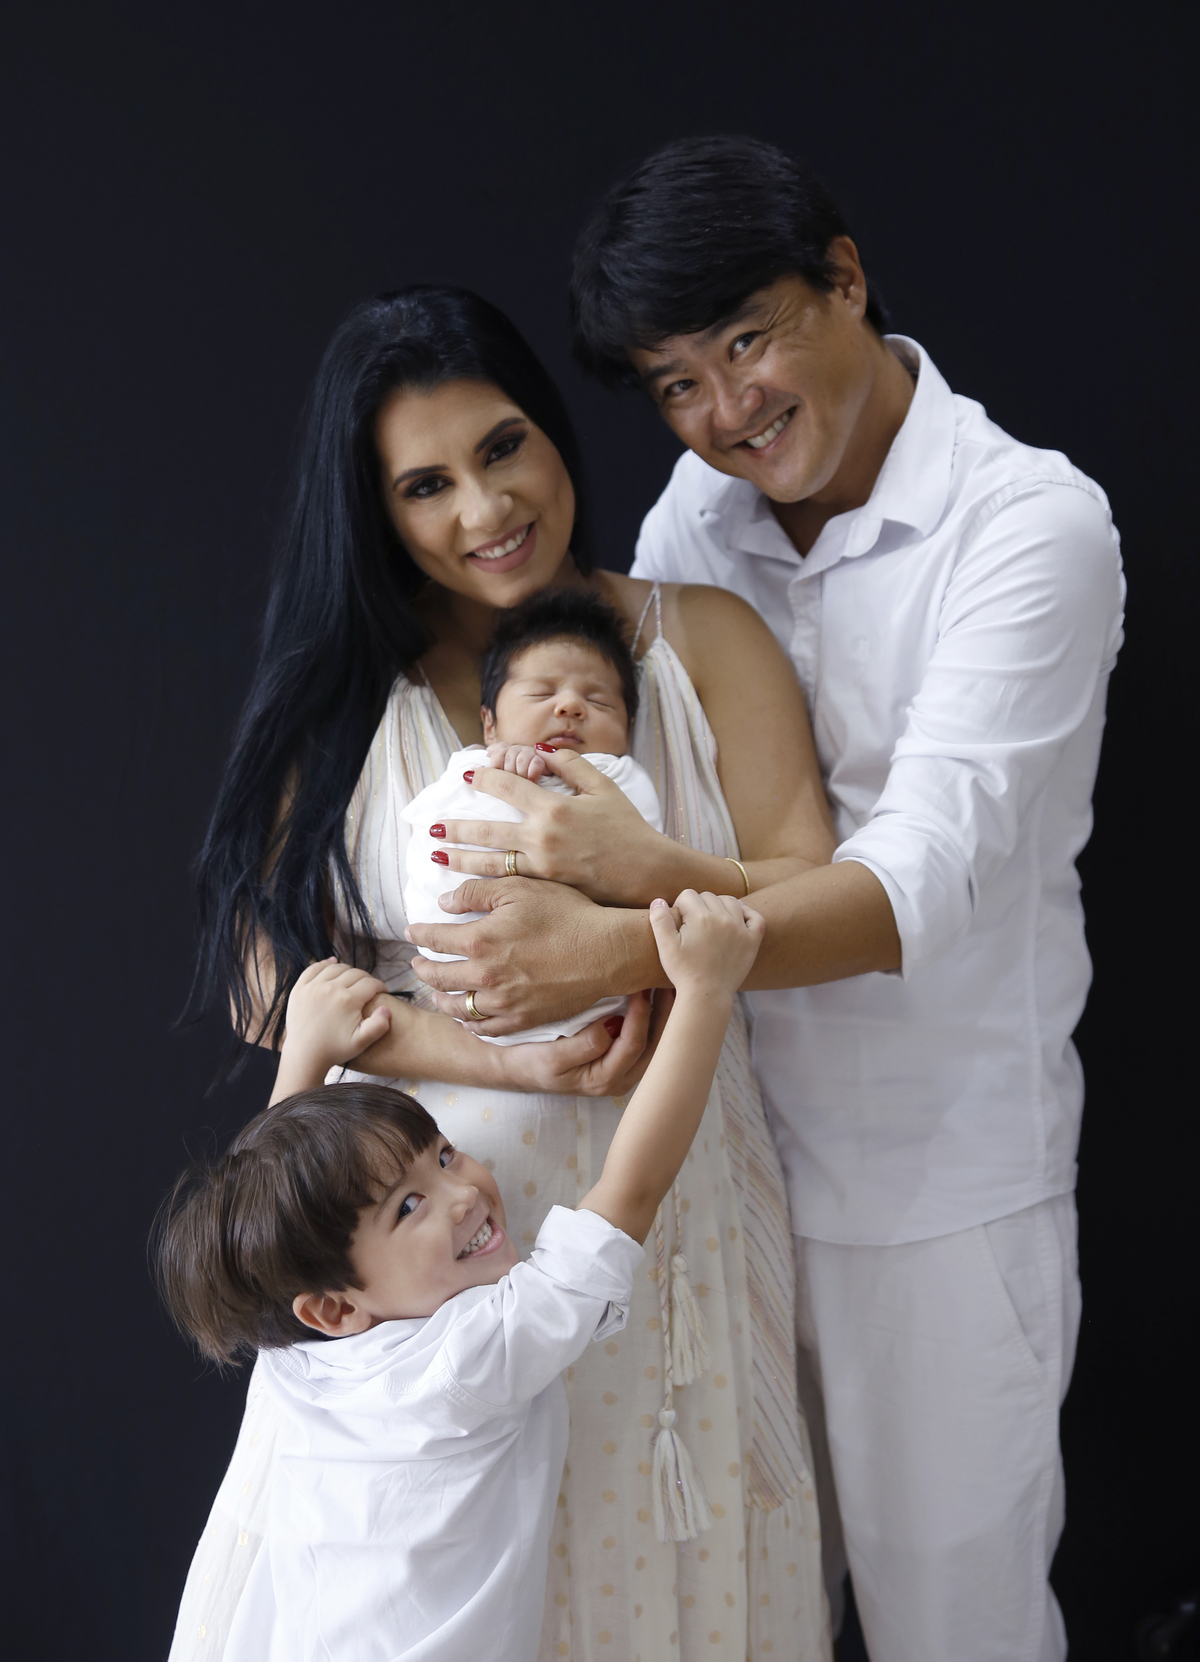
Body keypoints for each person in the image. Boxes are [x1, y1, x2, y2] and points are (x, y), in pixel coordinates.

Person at [170, 285, 837, 1662]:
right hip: (435, 1264)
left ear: (552, 430)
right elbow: (271, 989)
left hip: (662, 1210)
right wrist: (504, 1055)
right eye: (425, 485)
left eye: (503, 446)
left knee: (669, 1568)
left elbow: (815, 886)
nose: (485, 508)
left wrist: (619, 934)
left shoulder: (697, 639)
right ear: (376, 512)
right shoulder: (347, 702)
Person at [552, 134, 1125, 1662]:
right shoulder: (697, 515)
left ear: (847, 281)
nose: (725, 411)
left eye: (747, 341)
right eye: (677, 383)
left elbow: (911, 885)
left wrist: (612, 928)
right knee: (741, 1622)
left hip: (936, 1189)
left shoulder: (1031, 523)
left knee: (956, 1634)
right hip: (720, 1172)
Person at [159, 889, 763, 1662]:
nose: (463, 1194)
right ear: (334, 1308)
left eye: (444, 1155)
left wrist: (304, 1053)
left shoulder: (303, 1359)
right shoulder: (470, 1358)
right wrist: (707, 992)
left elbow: (262, 1233)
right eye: (409, 1207)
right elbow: (632, 1190)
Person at [402, 588, 665, 1044]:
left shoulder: (622, 777)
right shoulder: (474, 765)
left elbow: (645, 863)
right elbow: (430, 830)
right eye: (542, 693)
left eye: (600, 701)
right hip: (469, 971)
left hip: (598, 980)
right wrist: (501, 767)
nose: (570, 706)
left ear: (627, 729)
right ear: (489, 723)